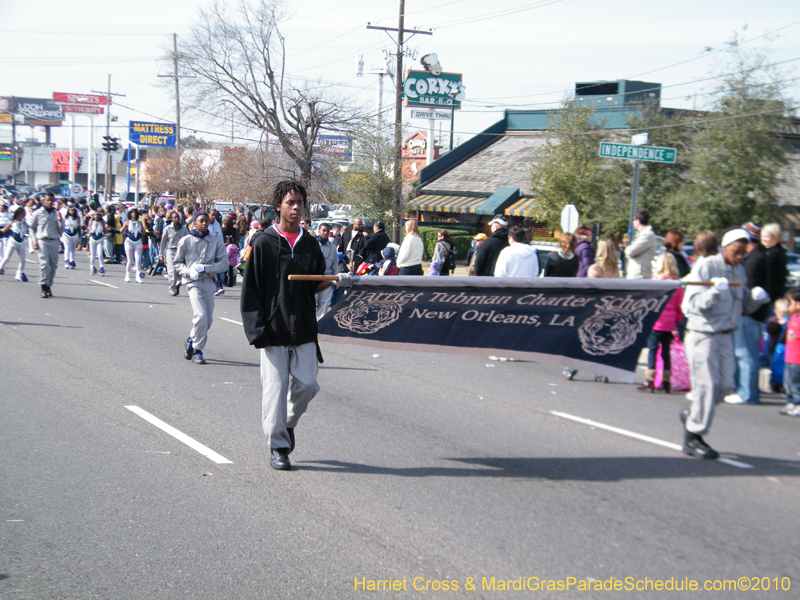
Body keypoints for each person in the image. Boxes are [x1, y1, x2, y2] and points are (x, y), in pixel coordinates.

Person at [240, 180, 351, 471]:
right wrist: (256, 330)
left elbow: (312, 285)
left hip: (303, 327)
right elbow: (251, 290)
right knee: (274, 392)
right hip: (273, 330)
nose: (296, 207)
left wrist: (341, 280)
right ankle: (278, 447)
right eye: (290, 202)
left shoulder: (310, 243)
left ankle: (287, 425)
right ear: (278, 205)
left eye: (300, 202)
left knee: (308, 385)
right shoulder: (263, 242)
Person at [680, 228, 770, 459]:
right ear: (724, 246)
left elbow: (743, 307)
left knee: (726, 387)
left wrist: (756, 300)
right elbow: (691, 305)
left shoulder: (739, 270)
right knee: (707, 386)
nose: (740, 257)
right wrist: (712, 293)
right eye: (736, 252)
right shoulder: (706, 266)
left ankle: (693, 414)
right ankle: (693, 437)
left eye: (743, 253)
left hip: (726, 335)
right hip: (703, 334)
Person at [173, 212, 229, 365]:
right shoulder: (185, 241)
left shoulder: (216, 242)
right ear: (194, 223)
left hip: (209, 282)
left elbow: (224, 263)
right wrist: (188, 271)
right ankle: (198, 350)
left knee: (208, 321)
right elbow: (177, 263)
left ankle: (191, 340)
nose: (204, 224)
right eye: (201, 221)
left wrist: (205, 268)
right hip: (193, 282)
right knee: (200, 316)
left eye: (206, 222)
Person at [724, 222, 770, 405]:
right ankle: (744, 390)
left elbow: (745, 288)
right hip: (755, 312)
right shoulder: (759, 256)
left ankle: (747, 393)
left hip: (750, 313)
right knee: (744, 353)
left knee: (745, 354)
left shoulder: (753, 260)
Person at [638, 253, 684, 393]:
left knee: (652, 350)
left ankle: (650, 379)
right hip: (669, 323)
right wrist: (674, 322)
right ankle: (666, 381)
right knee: (666, 352)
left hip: (655, 322)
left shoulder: (654, 283)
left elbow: (647, 305)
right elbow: (680, 309)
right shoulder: (678, 286)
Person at [30, 192, 63, 298]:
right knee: (44, 265)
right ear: (43, 201)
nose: (50, 202)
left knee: (53, 266)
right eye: (48, 200)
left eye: (52, 200)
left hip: (54, 240)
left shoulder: (57, 213)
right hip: (42, 240)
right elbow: (31, 228)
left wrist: (60, 221)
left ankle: (49, 285)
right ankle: (43, 286)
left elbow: (61, 230)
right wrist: (34, 240)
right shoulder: (37, 213)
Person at [780, 288, 800, 417]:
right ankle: (791, 401)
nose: (788, 305)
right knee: (787, 382)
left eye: (790, 302)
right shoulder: (793, 316)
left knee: (796, 383)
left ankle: (798, 403)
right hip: (789, 357)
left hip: (798, 359)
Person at [161, 210, 189, 296]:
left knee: (180, 271)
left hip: (181, 251)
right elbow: (163, 242)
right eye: (175, 217)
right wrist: (161, 254)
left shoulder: (184, 229)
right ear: (171, 219)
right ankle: (172, 288)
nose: (177, 219)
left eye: (178, 217)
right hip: (171, 250)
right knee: (172, 271)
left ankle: (177, 283)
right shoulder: (167, 229)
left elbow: (188, 240)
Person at [625, 209, 658, 279]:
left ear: (638, 221)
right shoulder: (641, 234)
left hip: (640, 276)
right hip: (636, 275)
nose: (632, 222)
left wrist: (627, 249)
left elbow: (630, 251)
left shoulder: (647, 235)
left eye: (633, 220)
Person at [762, 223, 787, 312]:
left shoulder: (773, 253)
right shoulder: (780, 251)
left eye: (767, 236)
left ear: (775, 237)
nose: (763, 239)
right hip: (776, 292)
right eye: (762, 236)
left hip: (772, 293)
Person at [315, 222, 338, 320]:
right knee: (311, 301)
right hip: (313, 278)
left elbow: (335, 264)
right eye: (323, 230)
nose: (325, 233)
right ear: (319, 231)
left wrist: (337, 278)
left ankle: (319, 322)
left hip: (327, 278)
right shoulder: (313, 244)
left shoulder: (332, 247)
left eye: (328, 231)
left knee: (324, 303)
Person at [0, 207, 28, 281]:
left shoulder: (24, 222)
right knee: (7, 257)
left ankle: (19, 274)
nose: (22, 216)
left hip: (21, 242)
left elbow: (29, 229)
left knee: (23, 260)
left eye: (23, 214)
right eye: (21, 214)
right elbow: (4, 230)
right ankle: (0, 268)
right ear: (17, 214)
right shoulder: (12, 222)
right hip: (13, 241)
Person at [119, 209, 144, 284]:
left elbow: (143, 232)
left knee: (138, 259)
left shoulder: (140, 222)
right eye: (132, 213)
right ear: (130, 214)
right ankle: (127, 275)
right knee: (130, 260)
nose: (134, 214)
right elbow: (120, 231)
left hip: (138, 242)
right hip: (129, 241)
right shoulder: (127, 222)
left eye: (135, 213)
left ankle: (138, 277)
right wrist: (111, 229)